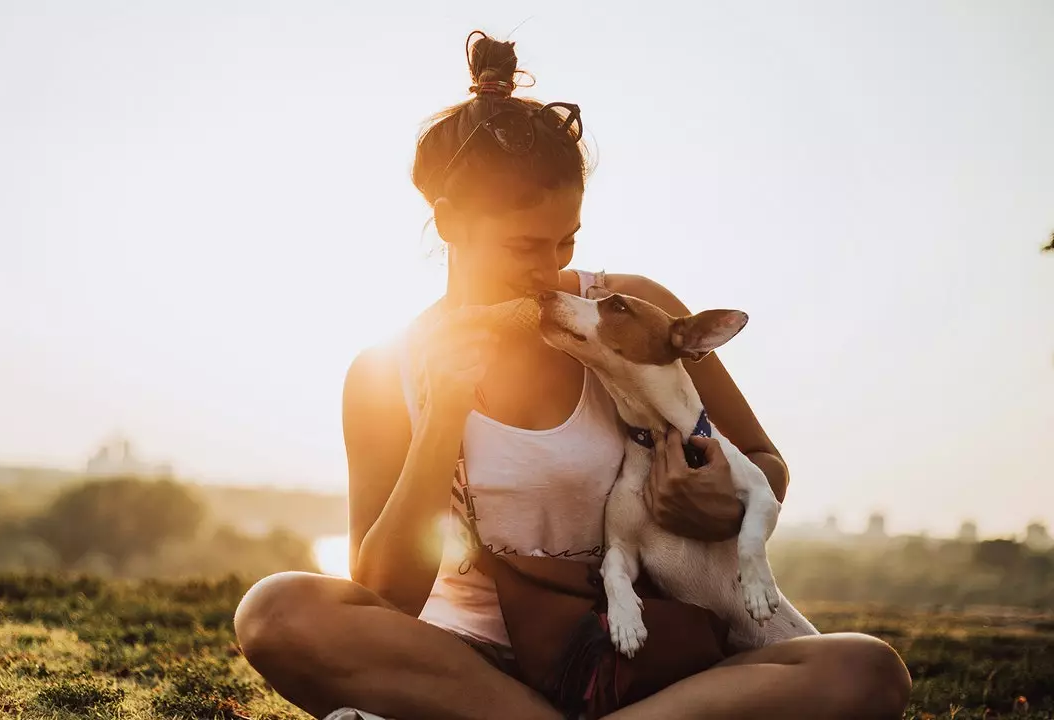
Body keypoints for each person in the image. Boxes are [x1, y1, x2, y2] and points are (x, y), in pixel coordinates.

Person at [234, 31, 912, 720]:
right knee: (276, 611)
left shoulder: (626, 314)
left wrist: (722, 502)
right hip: (468, 670)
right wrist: (441, 421)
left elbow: (764, 465)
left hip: (643, 658)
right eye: (525, 245)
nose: (549, 267)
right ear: (450, 222)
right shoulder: (387, 369)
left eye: (567, 239)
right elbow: (385, 596)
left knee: (867, 671)